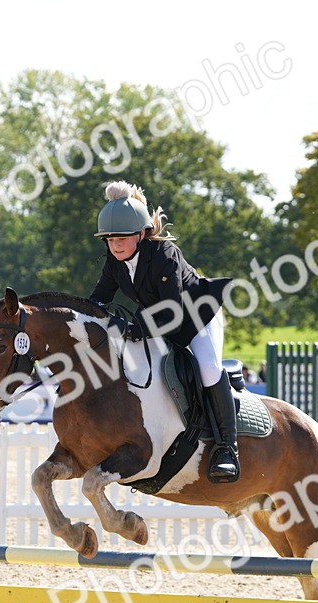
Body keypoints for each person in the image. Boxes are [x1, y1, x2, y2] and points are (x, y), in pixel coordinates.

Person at [88, 181, 238, 482]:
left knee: (208, 368)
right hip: (163, 323)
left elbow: (172, 310)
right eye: (109, 239)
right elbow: (98, 300)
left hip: (198, 317)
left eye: (122, 238)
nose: (115, 245)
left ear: (141, 234)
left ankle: (226, 449)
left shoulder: (163, 253)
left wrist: (133, 327)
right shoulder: (114, 264)